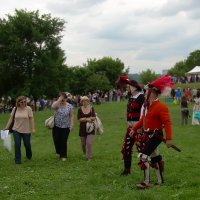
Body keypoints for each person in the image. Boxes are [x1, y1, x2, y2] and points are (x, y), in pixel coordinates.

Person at [131, 75, 174, 189]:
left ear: (152, 94)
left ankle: (146, 182)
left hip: (156, 135)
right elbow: (143, 120)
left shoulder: (161, 107)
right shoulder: (148, 106)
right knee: (155, 157)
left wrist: (169, 138)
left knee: (144, 156)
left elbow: (168, 123)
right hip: (147, 135)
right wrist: (133, 129)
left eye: (146, 93)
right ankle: (160, 181)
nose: (145, 94)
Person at [116, 76, 145, 175]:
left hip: (140, 128)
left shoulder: (142, 97)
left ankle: (150, 167)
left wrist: (141, 127)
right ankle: (127, 170)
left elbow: (144, 113)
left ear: (133, 87)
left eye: (128, 87)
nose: (127, 88)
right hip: (130, 128)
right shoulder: (131, 97)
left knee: (142, 149)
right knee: (126, 148)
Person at [5, 96, 35, 164]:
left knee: (27, 144)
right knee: (17, 144)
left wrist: (33, 128)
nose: (23, 103)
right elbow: (11, 118)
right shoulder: (15, 109)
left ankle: (29, 156)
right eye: (22, 102)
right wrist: (7, 127)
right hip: (16, 130)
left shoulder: (28, 109)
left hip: (26, 130)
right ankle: (17, 160)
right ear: (18, 102)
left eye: (25, 102)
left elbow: (31, 118)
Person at [51, 92, 74, 161]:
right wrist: (59, 100)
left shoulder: (69, 106)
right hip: (56, 126)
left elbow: (71, 116)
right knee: (56, 140)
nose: (63, 99)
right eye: (61, 97)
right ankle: (58, 151)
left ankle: (63, 155)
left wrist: (71, 124)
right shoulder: (57, 105)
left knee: (63, 141)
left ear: (66, 99)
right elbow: (52, 107)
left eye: (64, 98)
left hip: (66, 126)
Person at [77, 96, 96, 161]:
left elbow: (94, 118)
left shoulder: (91, 108)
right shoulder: (79, 109)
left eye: (86, 101)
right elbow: (79, 119)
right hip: (82, 129)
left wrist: (84, 119)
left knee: (89, 143)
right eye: (83, 101)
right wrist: (88, 119)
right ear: (81, 102)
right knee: (83, 144)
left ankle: (89, 157)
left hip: (91, 128)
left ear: (88, 101)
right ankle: (84, 152)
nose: (85, 102)